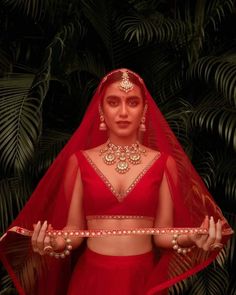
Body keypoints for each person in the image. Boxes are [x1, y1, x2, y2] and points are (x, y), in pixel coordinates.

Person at [0, 69, 233, 295]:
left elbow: (162, 235)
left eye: (132, 102)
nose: (123, 112)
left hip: (141, 279)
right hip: (91, 279)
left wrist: (192, 237)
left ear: (144, 111)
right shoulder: (80, 162)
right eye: (113, 102)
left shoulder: (164, 164)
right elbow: (74, 230)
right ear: (101, 110)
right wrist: (54, 243)